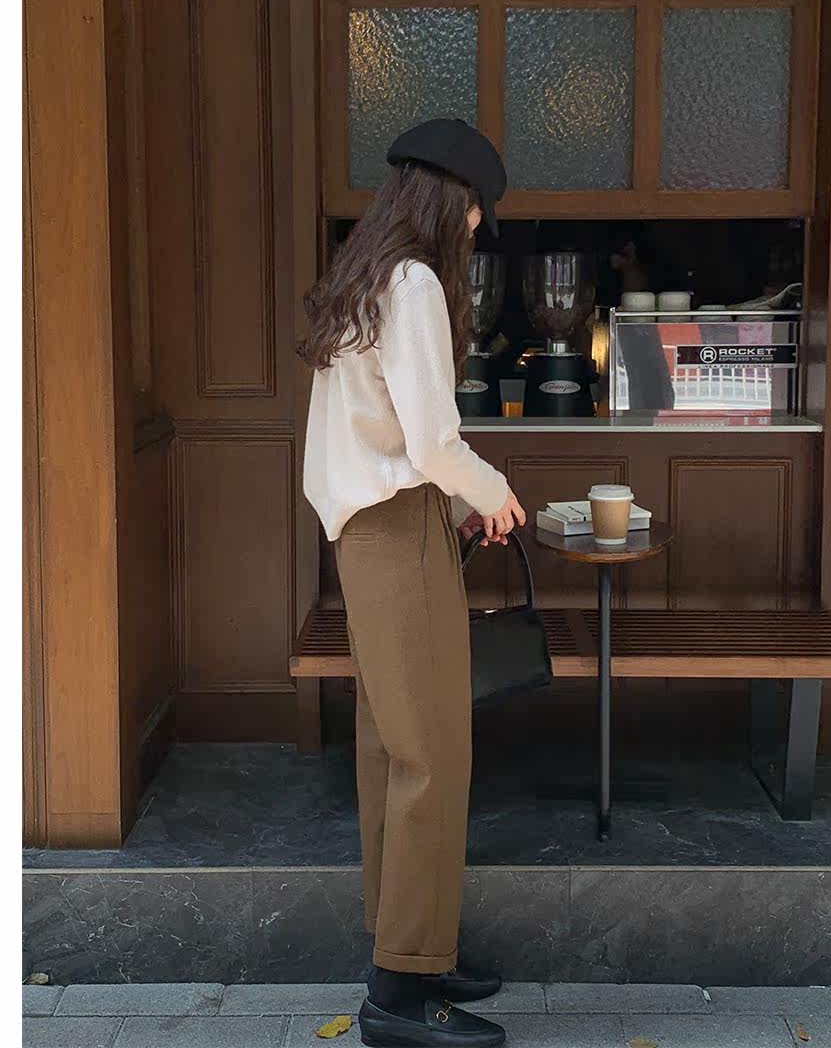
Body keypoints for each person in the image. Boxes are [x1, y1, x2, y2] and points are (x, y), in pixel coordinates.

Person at [299, 118, 525, 1048]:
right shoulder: (417, 283)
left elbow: (382, 433)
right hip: (399, 532)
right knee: (433, 752)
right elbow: (433, 440)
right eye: (475, 210)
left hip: (365, 532)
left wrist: (455, 499)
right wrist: (495, 494)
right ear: (449, 199)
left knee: (391, 747)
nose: (475, 228)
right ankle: (400, 992)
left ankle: (411, 947)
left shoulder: (366, 277)